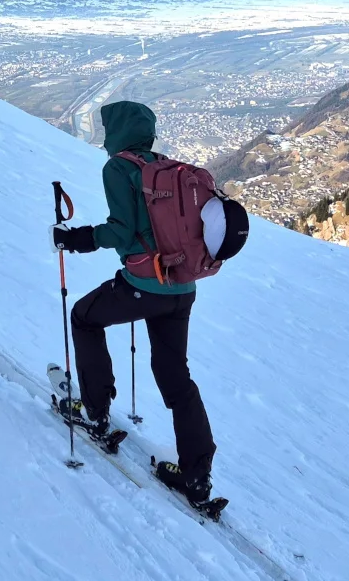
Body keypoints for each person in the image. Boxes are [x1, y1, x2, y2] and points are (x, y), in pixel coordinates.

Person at [53, 100, 217, 509]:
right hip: (182, 288)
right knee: (176, 377)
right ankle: (197, 476)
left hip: (145, 286)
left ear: (116, 131)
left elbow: (122, 232)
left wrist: (77, 239)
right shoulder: (165, 165)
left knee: (85, 317)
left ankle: (95, 411)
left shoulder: (119, 168)